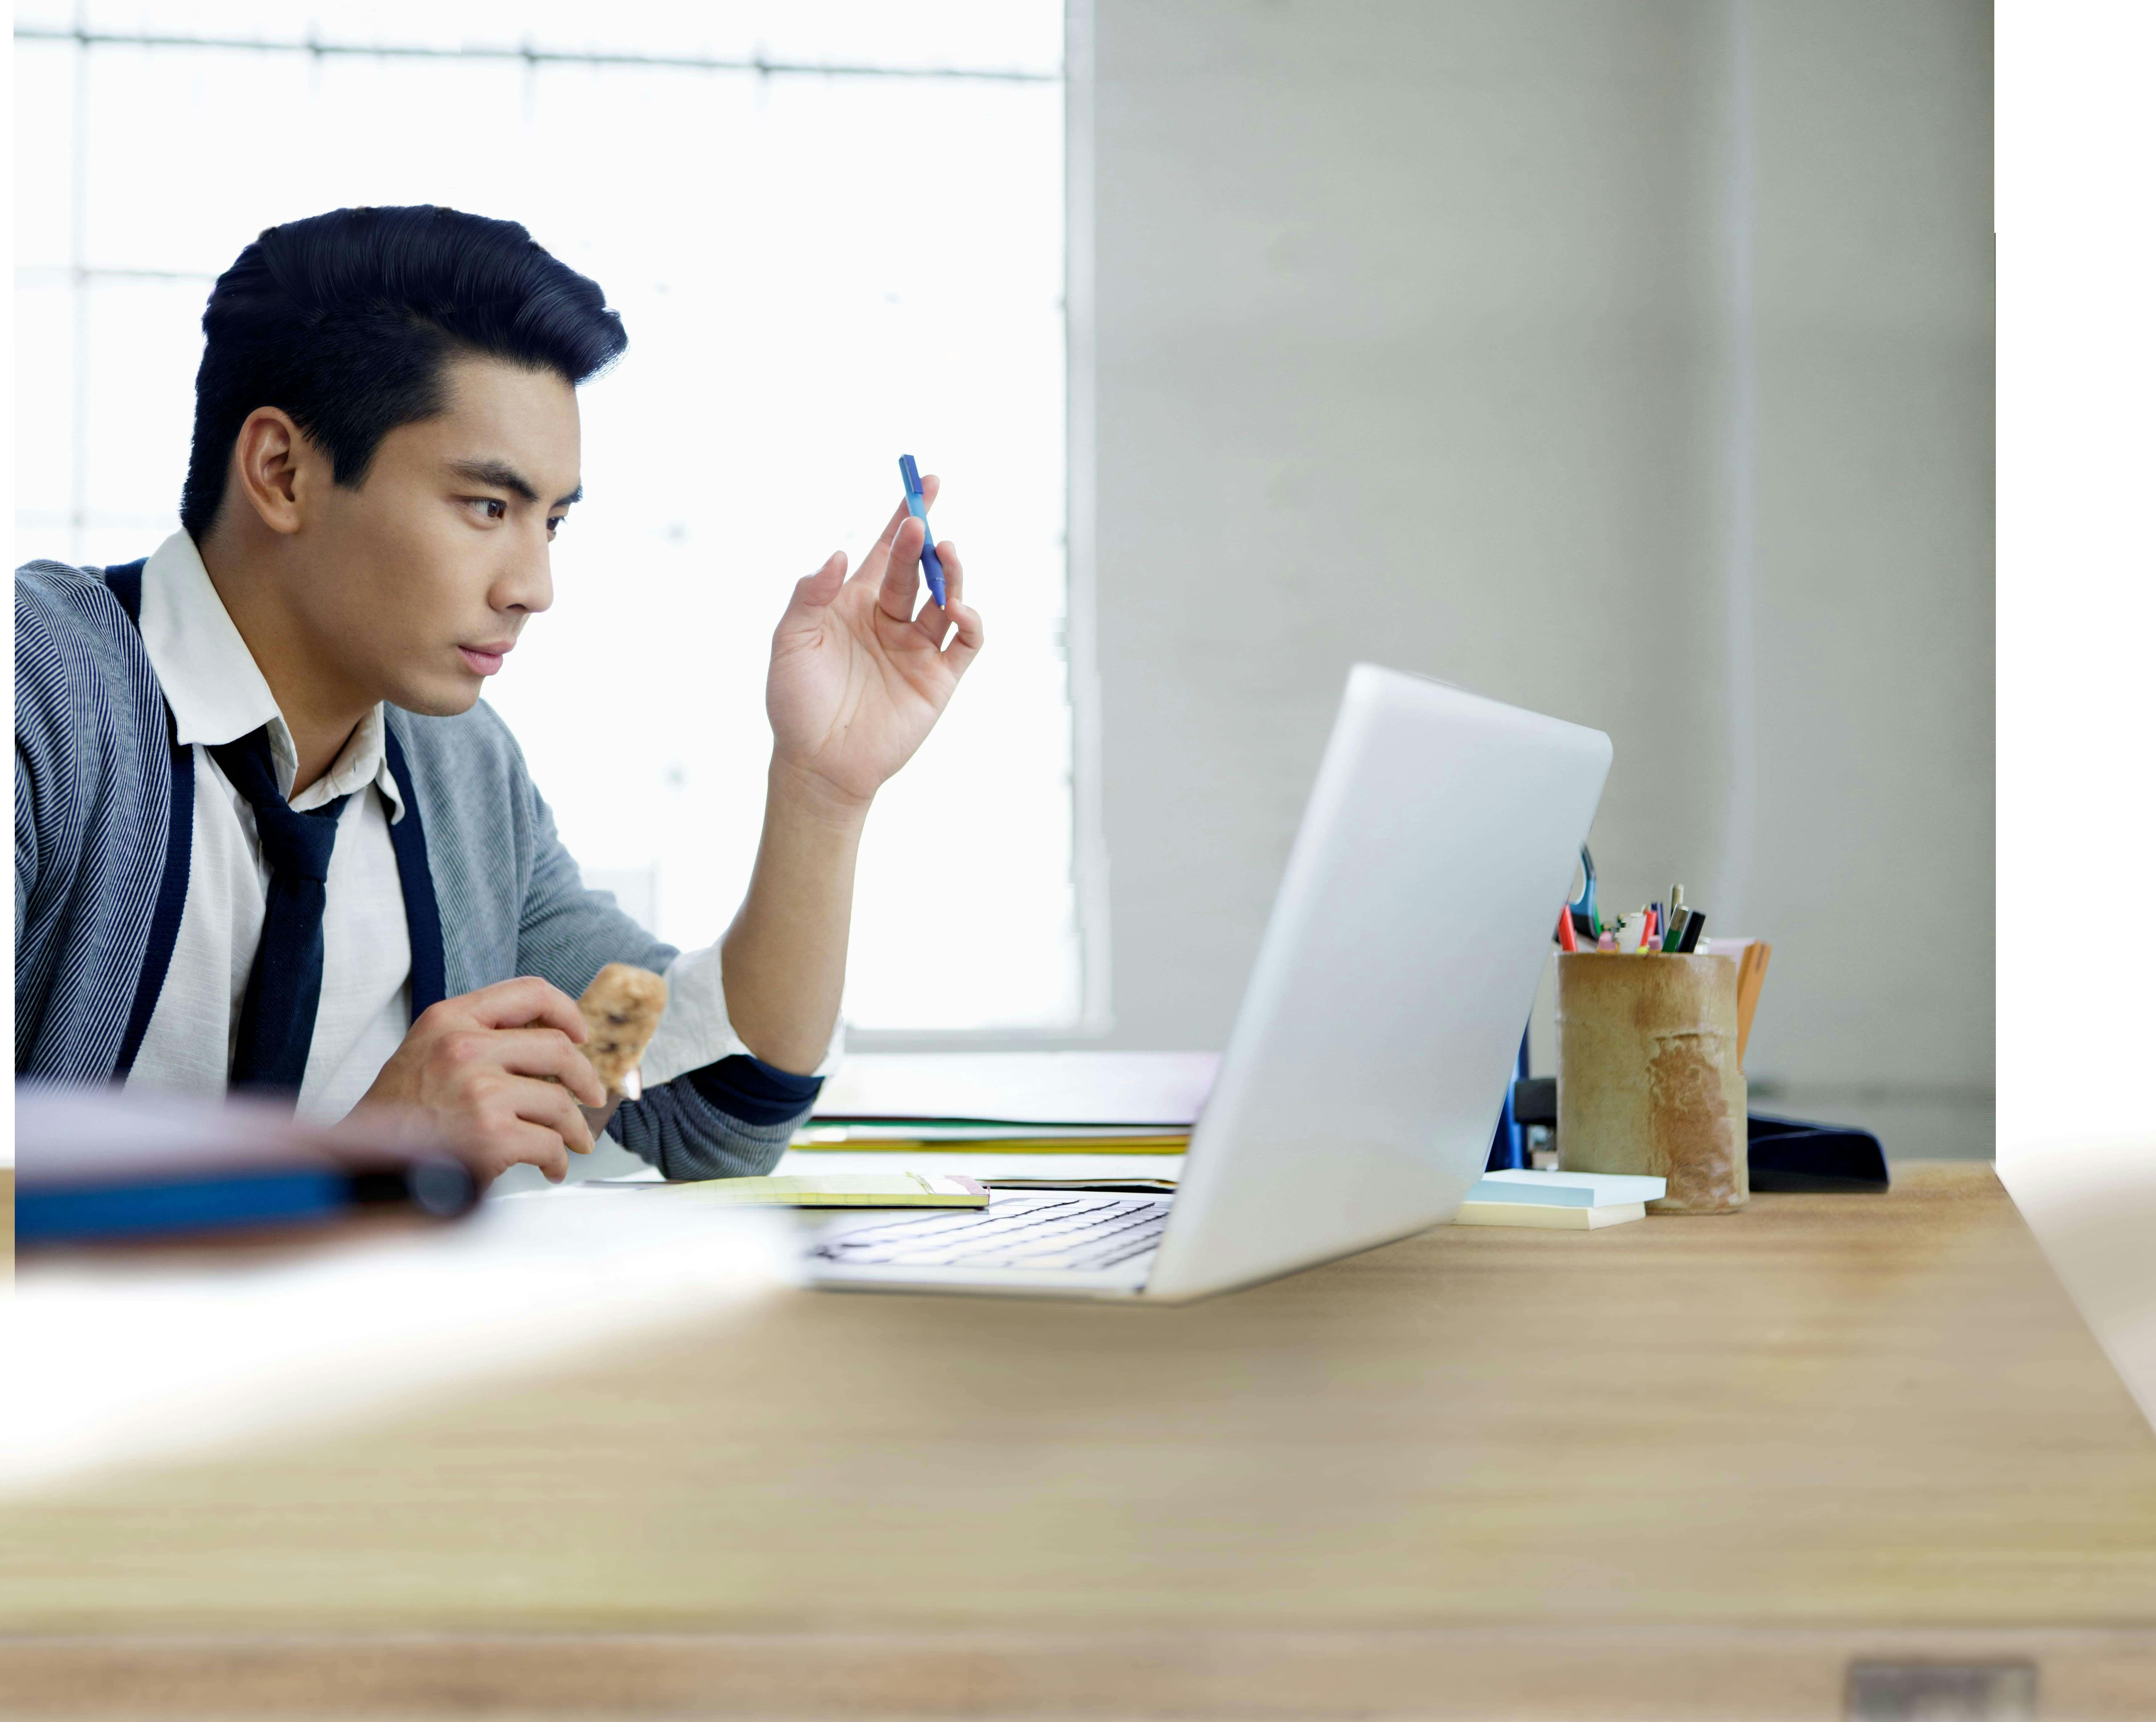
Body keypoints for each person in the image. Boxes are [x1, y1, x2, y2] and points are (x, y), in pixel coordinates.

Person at [14, 205, 983, 1186]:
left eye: (552, 522)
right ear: (282, 471)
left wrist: (823, 792)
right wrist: (348, 1166)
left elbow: (700, 1101)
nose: (535, 587)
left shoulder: (460, 776)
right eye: (488, 507)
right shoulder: (38, 694)